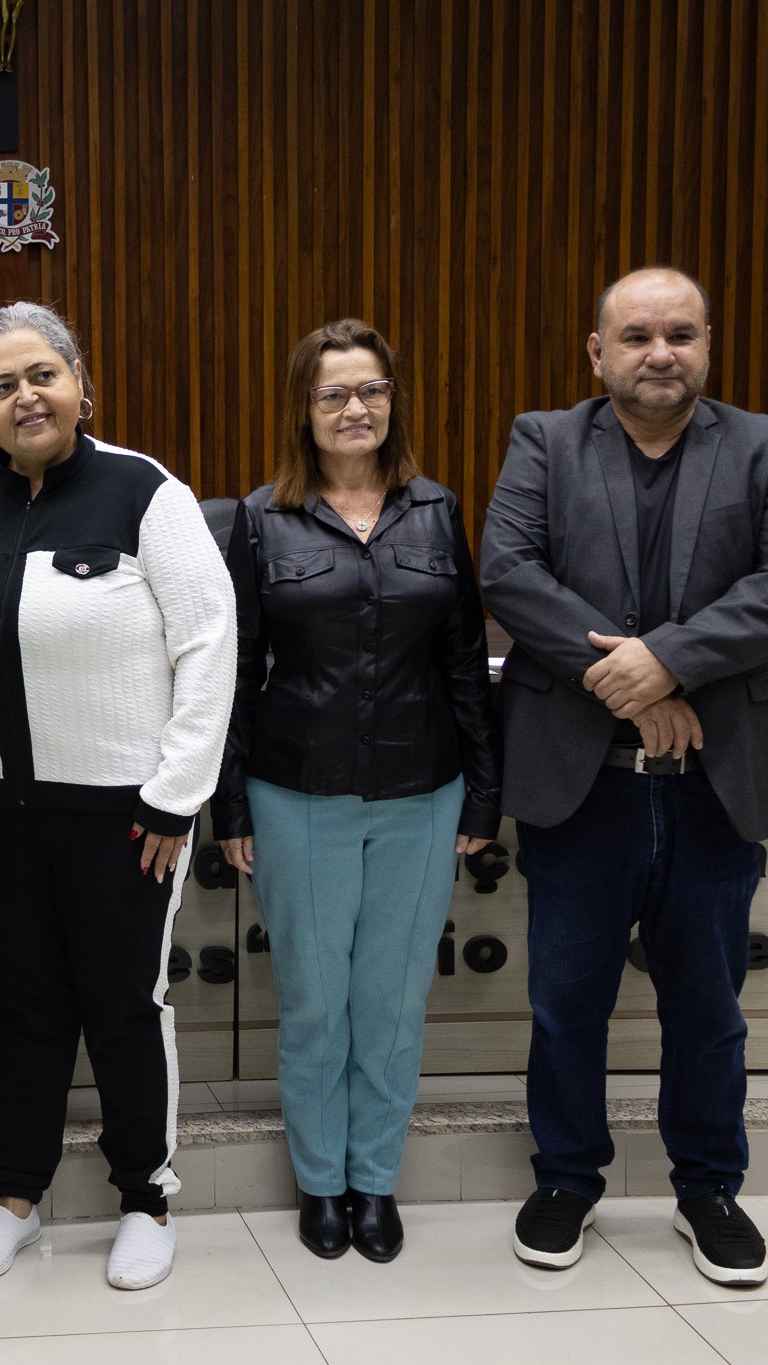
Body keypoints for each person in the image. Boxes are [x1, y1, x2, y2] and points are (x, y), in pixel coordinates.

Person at [482, 267, 768, 1286]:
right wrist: (634, 688)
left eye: (678, 332)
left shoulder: (767, 447)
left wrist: (665, 660)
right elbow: (507, 571)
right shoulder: (543, 440)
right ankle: (564, 1179)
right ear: (596, 353)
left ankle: (708, 1188)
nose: (657, 351)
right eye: (634, 334)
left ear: (706, 344)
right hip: (579, 783)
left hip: (714, 781)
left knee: (707, 1002)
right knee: (565, 999)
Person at [0, 302, 236, 1291]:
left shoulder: (142, 492)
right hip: (0, 813)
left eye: (42, 375)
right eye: (1, 384)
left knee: (120, 1004)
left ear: (77, 383)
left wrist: (174, 797)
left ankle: (144, 1195)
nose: (26, 397)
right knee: (23, 1005)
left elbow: (207, 646)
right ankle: (14, 1193)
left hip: (127, 817)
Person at [217, 318, 499, 1263]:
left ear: (393, 401)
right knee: (314, 1002)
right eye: (334, 392)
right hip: (297, 792)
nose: (355, 408)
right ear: (305, 407)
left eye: (372, 390)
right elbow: (234, 669)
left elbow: (465, 661)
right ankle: (320, 1183)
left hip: (424, 790)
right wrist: (232, 804)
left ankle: (374, 1181)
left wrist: (483, 797)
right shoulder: (262, 518)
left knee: (390, 1001)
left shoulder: (436, 509)